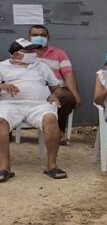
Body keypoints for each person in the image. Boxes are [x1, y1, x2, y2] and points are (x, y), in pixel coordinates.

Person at [0, 38, 67, 181]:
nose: (34, 53)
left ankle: (52, 166)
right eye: (29, 51)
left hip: (38, 105)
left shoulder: (41, 66)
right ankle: (4, 168)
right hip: (9, 105)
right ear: (17, 54)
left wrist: (54, 95)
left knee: (50, 119)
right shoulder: (2, 67)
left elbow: (58, 89)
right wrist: (2, 87)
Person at [28, 25, 80, 140]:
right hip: (33, 90)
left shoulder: (59, 53)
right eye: (35, 35)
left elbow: (68, 74)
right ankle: (6, 134)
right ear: (29, 37)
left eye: (42, 35)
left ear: (48, 37)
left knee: (68, 98)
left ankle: (58, 133)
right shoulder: (24, 53)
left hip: (57, 89)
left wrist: (75, 95)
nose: (39, 37)